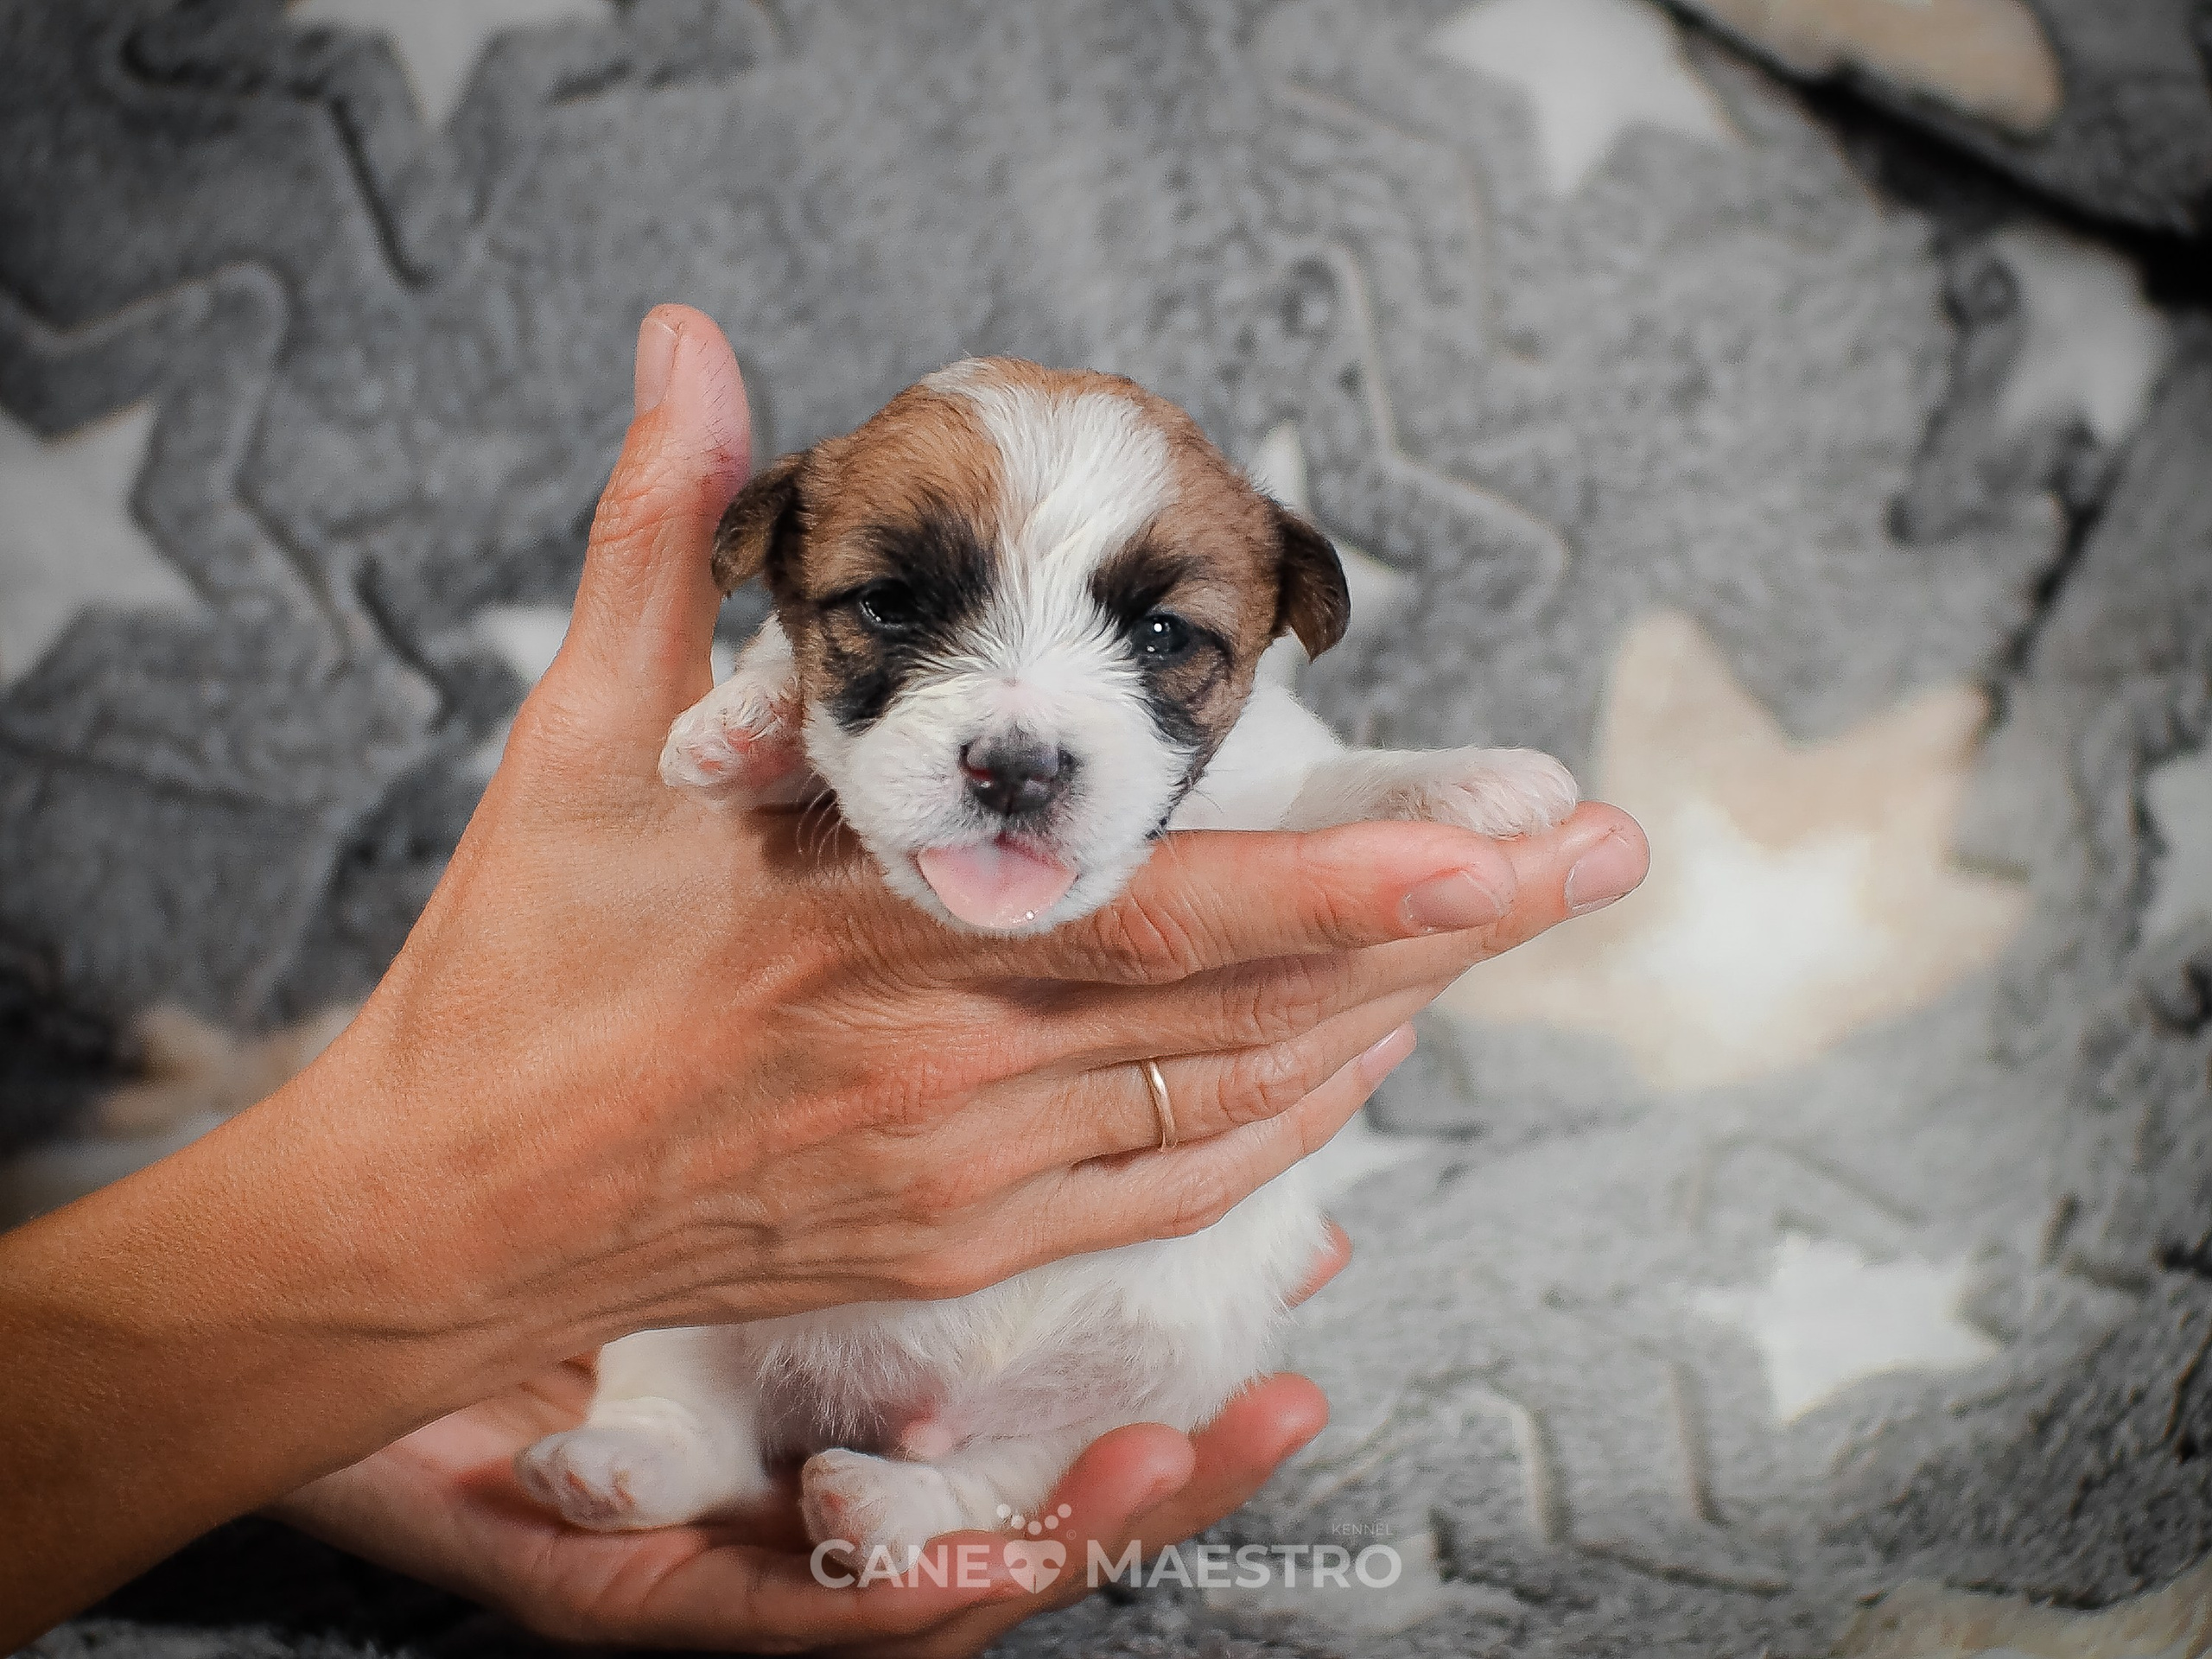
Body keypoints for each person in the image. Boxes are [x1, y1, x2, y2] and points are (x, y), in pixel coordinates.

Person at [0, 307, 1648, 1654]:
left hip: (1110, 1313)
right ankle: (690, 1438)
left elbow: (1314, 791)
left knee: (1186, 1368)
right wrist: (780, 722)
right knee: (677, 1326)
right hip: (760, 1304)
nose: (1018, 735)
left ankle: (967, 1491)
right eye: (884, 612)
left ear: (1277, 624)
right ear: (774, 578)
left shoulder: (1263, 745)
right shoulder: (774, 706)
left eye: (1162, 645)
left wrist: (1406, 789)